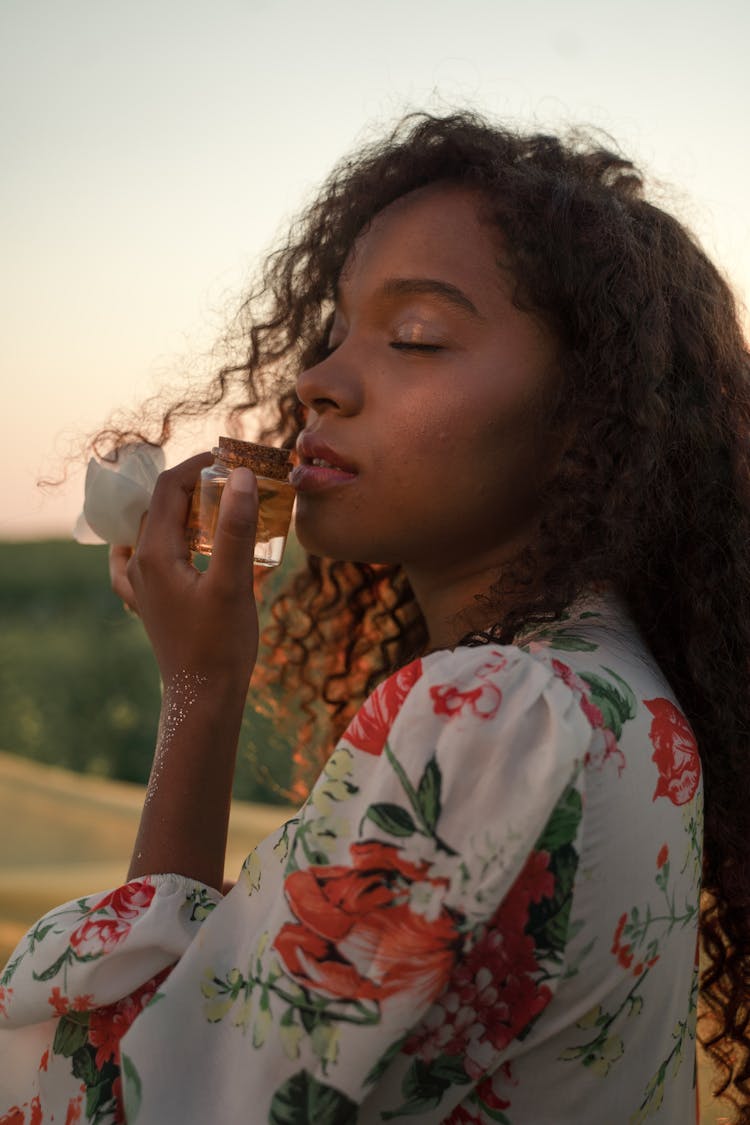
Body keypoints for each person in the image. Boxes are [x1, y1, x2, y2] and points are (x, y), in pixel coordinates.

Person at [0, 111, 748, 1124]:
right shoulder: (619, 695)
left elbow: (142, 1095)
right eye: (336, 331)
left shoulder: (496, 714)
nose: (317, 381)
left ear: (590, 424)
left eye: (415, 337)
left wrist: (198, 694)